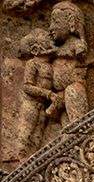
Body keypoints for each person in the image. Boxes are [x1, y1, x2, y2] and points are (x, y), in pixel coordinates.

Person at [16, 28, 55, 159]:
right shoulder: (32, 64)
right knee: (26, 134)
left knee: (38, 137)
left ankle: (34, 161)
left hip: (43, 107)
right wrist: (47, 94)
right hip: (31, 105)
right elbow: (27, 86)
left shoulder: (50, 65)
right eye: (44, 36)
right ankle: (20, 160)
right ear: (35, 50)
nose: (49, 36)